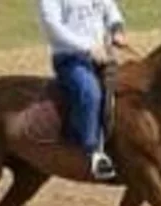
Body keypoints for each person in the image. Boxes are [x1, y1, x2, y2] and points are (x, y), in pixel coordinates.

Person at [36, 0, 129, 181]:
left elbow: (108, 7)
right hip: (70, 58)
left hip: (103, 55)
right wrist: (87, 47)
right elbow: (52, 27)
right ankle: (92, 153)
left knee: (126, 89)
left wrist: (116, 28)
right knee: (89, 93)